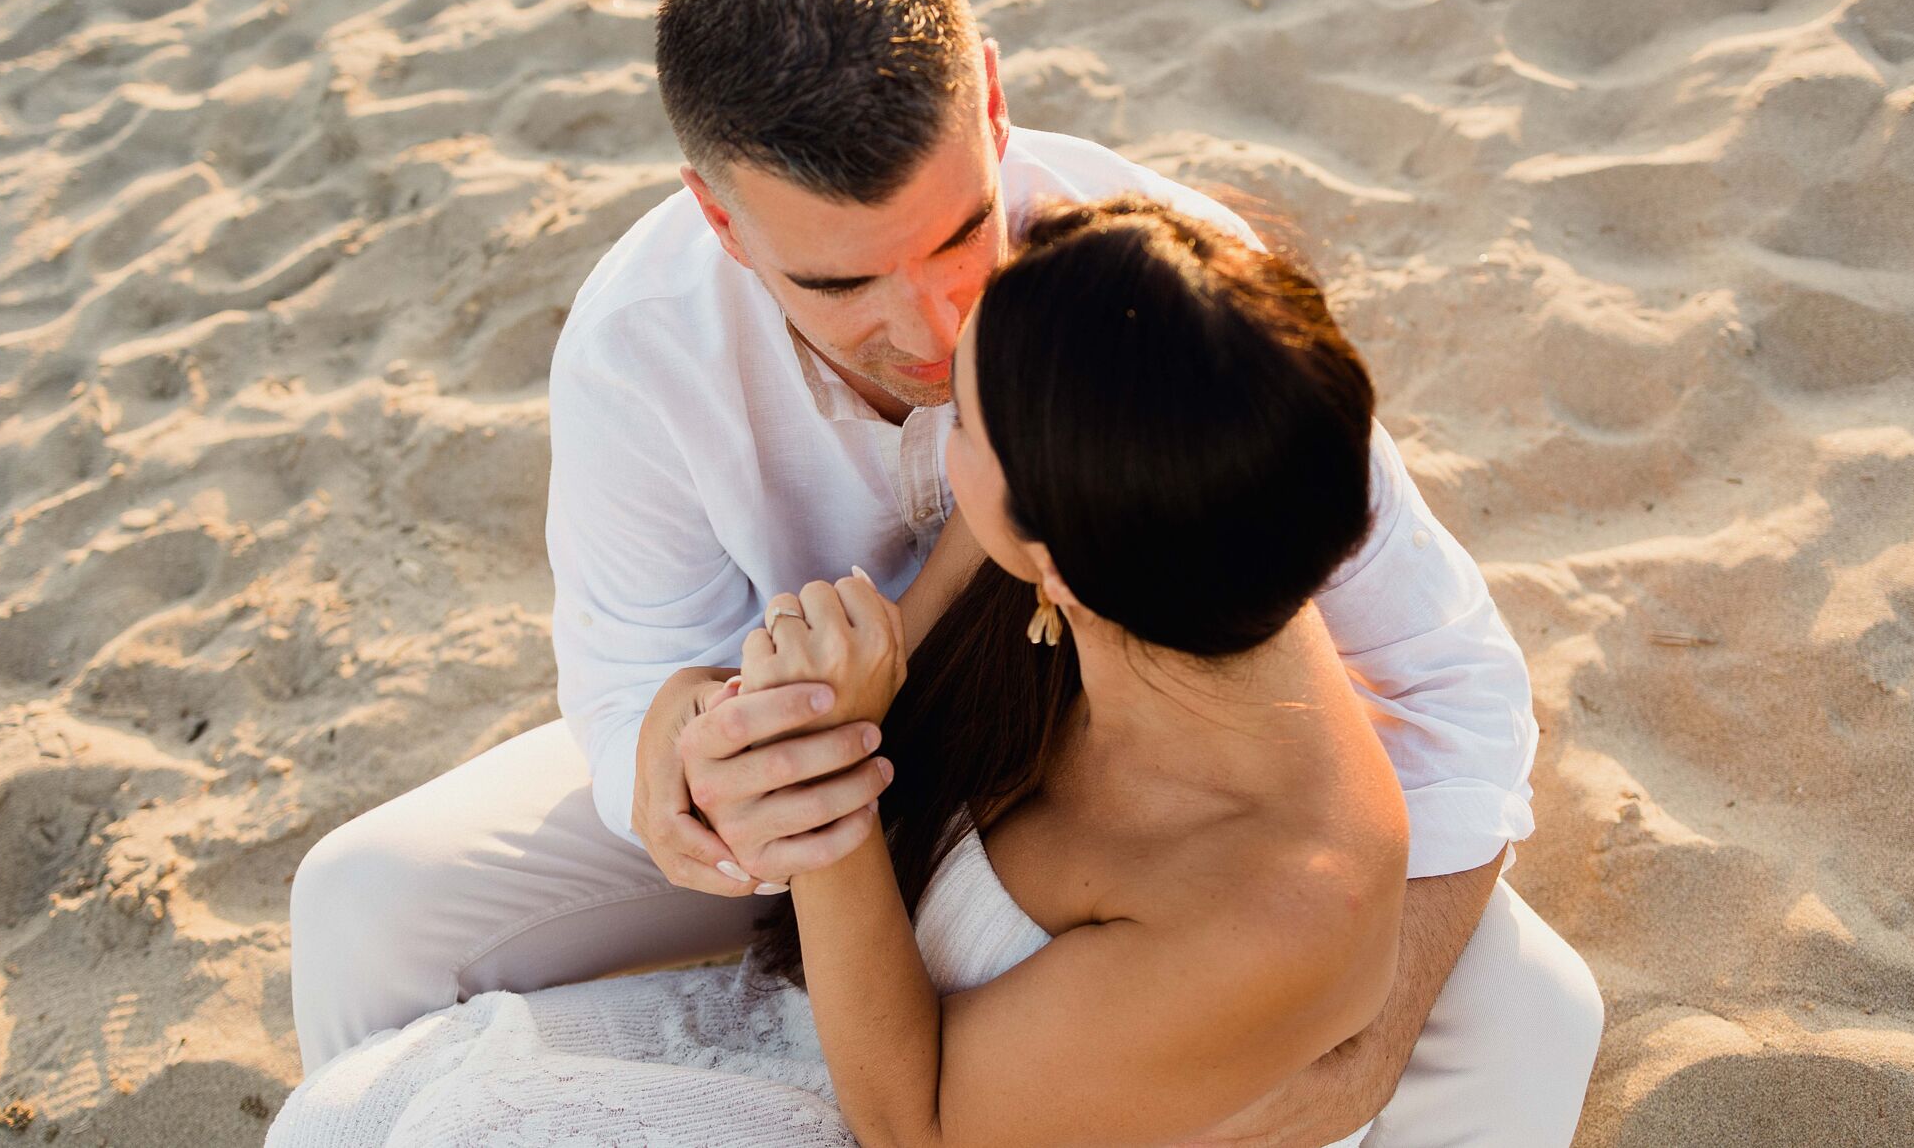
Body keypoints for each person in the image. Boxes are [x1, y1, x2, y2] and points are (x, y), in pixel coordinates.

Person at [286, 0, 1602, 1144]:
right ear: (721, 218)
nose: (937, 328)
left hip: (1135, 778)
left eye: (962, 231)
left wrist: (1375, 1033)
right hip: (835, 755)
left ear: (991, 95)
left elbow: (1451, 679)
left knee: (1524, 1012)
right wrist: (686, 761)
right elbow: (630, 677)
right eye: (843, 279)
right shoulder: (643, 346)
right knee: (362, 904)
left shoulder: (1154, 283)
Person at [269, 193, 1409, 1146]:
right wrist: (709, 710)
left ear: (1054, 554)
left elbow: (913, 1123)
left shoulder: (1266, 901)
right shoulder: (1169, 511)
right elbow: (890, 647)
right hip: (841, 1008)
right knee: (354, 1116)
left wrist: (830, 783)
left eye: (960, 416)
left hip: (903, 1105)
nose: (933, 413)